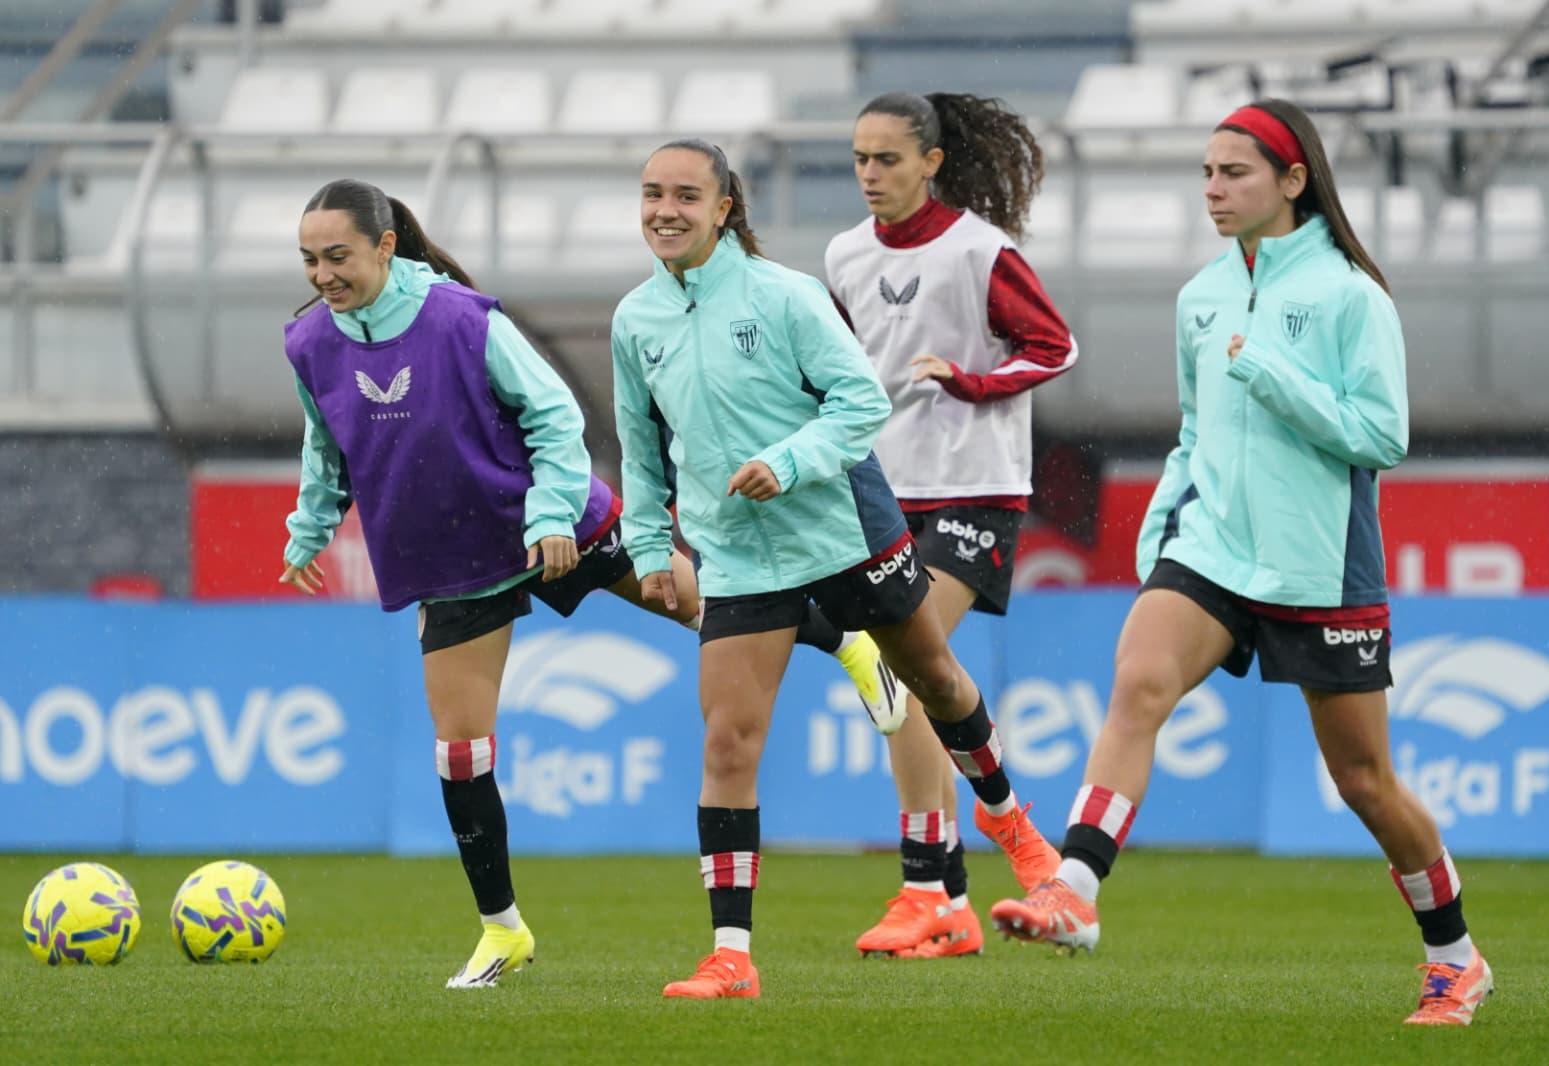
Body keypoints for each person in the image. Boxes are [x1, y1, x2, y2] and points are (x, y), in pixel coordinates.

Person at [278, 178, 897, 990]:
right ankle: (502, 932)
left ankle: (848, 642)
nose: (322, 275)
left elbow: (555, 415)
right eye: (309, 261)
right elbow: (326, 442)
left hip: (553, 519)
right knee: (459, 754)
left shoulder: (462, 319)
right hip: (448, 557)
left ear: (385, 247)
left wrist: (549, 515)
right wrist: (310, 526)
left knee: (703, 606)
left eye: (337, 257)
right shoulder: (307, 342)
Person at [987, 100, 1492, 1027]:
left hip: (1318, 567)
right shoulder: (1201, 296)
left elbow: (1382, 436)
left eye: (1235, 173)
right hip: (1211, 549)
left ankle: (1455, 958)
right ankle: (1076, 890)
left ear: (1294, 181)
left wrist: (1273, 371)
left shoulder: (1352, 296)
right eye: (1207, 174)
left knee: (1365, 783)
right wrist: (1164, 528)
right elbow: (1195, 433)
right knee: (1138, 684)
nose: (1214, 190)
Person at [611, 138, 1058, 1000]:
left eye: (686, 196)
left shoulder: (784, 295)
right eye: (651, 194)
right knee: (728, 742)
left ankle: (1012, 825)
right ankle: (731, 958)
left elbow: (861, 402)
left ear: (724, 208)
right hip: (737, 553)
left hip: (843, 528)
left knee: (934, 680)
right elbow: (638, 446)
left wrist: (786, 463)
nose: (665, 211)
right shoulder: (636, 318)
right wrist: (647, 547)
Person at [826, 91, 1080, 959]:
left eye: (887, 159)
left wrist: (972, 383)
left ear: (931, 162)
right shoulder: (845, 255)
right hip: (882, 490)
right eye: (859, 158)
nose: (869, 174)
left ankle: (927, 887)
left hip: (975, 487)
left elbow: (1055, 346)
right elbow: (838, 370)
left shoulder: (979, 250)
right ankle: (957, 901)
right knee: (917, 679)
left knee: (902, 668)